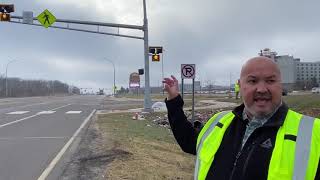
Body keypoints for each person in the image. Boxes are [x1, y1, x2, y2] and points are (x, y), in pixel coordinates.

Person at [163, 56, 320, 180]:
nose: (261, 89)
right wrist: (174, 101)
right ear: (240, 85)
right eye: (252, 81)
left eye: (270, 81)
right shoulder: (219, 122)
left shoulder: (313, 133)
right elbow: (189, 142)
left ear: (281, 85)